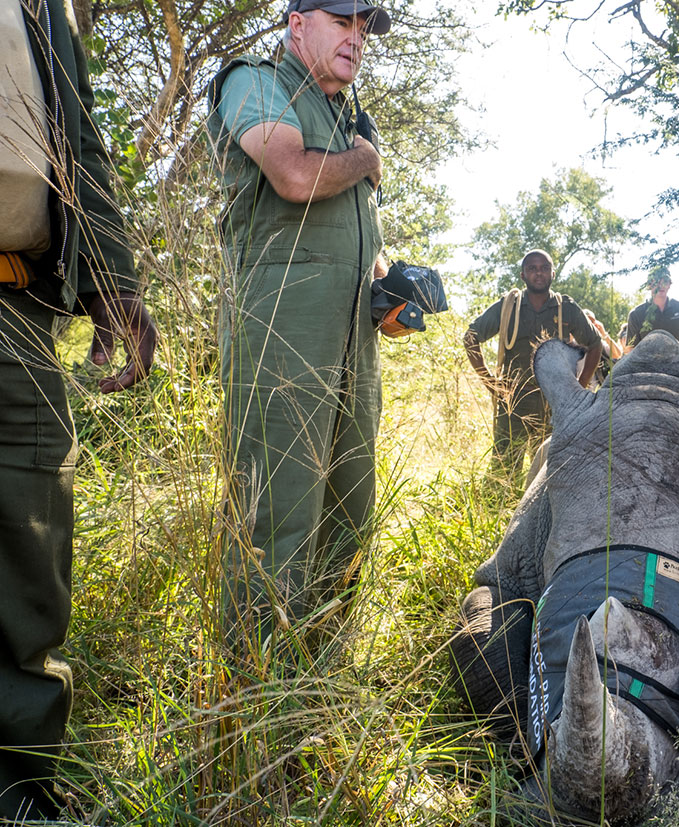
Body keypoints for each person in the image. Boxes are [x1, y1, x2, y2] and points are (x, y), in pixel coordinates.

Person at [0, 0, 157, 818]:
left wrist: (111, 279)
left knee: (30, 547)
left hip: (18, 302)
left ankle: (17, 790)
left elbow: (78, 140)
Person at [205, 0, 392, 659]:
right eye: (342, 21)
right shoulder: (254, 83)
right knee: (275, 523)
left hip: (354, 353)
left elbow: (361, 242)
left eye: (363, 28)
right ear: (296, 24)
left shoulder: (351, 117)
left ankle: (321, 692)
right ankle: (255, 702)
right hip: (281, 344)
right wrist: (364, 159)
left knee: (350, 512)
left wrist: (388, 290)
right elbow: (292, 174)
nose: (356, 37)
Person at [465, 250, 601, 473]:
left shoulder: (566, 308)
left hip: (554, 402)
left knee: (551, 471)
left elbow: (594, 343)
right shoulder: (509, 306)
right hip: (514, 400)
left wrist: (580, 384)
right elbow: (471, 337)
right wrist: (489, 381)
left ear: (553, 274)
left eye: (544, 268)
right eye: (532, 268)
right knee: (504, 471)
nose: (539, 273)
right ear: (522, 275)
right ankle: (500, 507)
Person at [624, 267, 679, 360]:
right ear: (649, 285)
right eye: (656, 281)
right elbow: (630, 348)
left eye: (665, 281)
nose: (661, 285)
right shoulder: (636, 314)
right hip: (648, 368)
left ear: (669, 284)